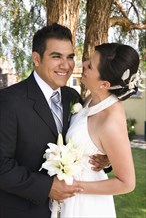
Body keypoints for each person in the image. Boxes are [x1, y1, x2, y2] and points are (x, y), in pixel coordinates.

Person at [0, 23, 109, 218]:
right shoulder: (8, 101)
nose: (66, 65)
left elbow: (88, 138)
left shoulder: (72, 97)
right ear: (36, 58)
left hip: (72, 209)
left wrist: (103, 159)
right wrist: (46, 187)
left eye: (70, 57)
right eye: (56, 56)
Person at [58, 43, 143, 218]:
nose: (84, 64)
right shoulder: (92, 98)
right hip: (71, 189)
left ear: (104, 84)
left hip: (87, 202)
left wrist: (75, 186)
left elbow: (127, 183)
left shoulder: (110, 120)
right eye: (89, 59)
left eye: (90, 66)